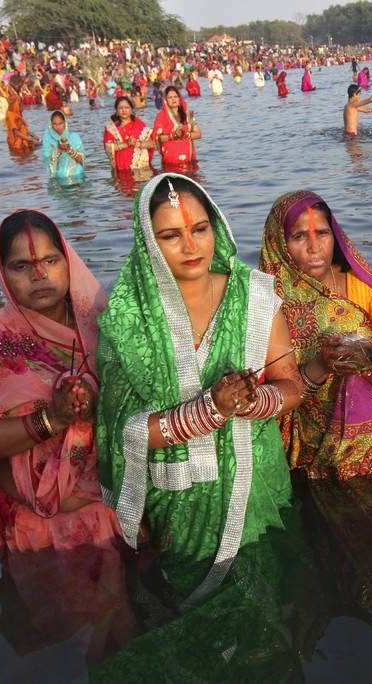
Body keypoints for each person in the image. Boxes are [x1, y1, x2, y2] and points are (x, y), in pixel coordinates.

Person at [96, 174, 304, 602]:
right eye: (171, 235)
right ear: (148, 242)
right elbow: (125, 431)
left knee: (267, 607)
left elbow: (293, 386)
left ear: (217, 227)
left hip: (255, 481)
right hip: (179, 502)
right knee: (197, 620)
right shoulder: (126, 315)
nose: (191, 247)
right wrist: (208, 409)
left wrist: (254, 400)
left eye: (200, 229)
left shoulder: (253, 295)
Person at [0, 210, 122, 554]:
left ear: (68, 260)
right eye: (21, 266)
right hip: (39, 526)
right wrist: (52, 419)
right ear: (3, 272)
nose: (39, 275)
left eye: (50, 260)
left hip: (119, 505)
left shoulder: (105, 324)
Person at [259, 190, 372, 480]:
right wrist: (322, 363)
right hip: (307, 455)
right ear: (279, 243)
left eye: (323, 233)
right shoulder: (265, 304)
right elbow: (275, 393)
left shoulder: (359, 288)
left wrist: (370, 358)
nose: (314, 246)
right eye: (299, 237)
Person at [103, 96, 155, 173]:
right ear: (116, 111)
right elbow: (108, 147)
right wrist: (126, 144)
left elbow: (151, 144)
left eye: (127, 107)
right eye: (120, 108)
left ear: (131, 110)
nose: (124, 110)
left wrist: (136, 143)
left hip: (141, 169)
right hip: (120, 171)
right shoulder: (111, 127)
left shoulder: (139, 125)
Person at [153, 86, 201, 168]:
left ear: (179, 98)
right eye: (170, 97)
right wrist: (173, 136)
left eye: (175, 97)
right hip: (171, 163)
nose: (173, 99)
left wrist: (186, 134)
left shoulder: (187, 115)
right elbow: (157, 138)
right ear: (166, 100)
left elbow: (198, 134)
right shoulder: (161, 116)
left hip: (189, 160)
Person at [42, 110, 85, 182]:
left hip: (77, 176)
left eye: (60, 123)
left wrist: (70, 150)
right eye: (54, 124)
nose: (58, 127)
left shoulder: (74, 138)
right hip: (59, 179)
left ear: (65, 123)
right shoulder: (48, 140)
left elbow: (81, 160)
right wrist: (59, 150)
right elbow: (48, 160)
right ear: (51, 125)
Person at [6, 81, 39, 152]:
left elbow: (22, 128)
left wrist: (32, 135)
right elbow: (16, 132)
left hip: (23, 141)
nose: (22, 107)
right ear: (16, 106)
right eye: (21, 105)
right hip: (16, 144)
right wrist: (31, 139)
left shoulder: (17, 114)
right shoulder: (11, 115)